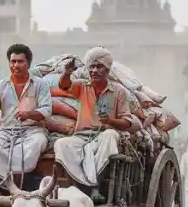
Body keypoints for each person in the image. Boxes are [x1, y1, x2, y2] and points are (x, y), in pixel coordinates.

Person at [53, 46, 138, 194]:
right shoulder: (82, 86)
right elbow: (64, 86)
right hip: (81, 136)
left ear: (107, 70)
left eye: (99, 67)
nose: (94, 71)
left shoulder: (118, 91)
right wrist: (67, 73)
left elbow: (127, 122)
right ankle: (81, 184)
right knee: (61, 143)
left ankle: (94, 186)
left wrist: (110, 121)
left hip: (104, 136)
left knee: (111, 136)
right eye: (91, 67)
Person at [0, 44, 51, 191]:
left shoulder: (40, 84)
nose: (16, 65)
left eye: (20, 61)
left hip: (33, 131)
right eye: (13, 61)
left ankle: (20, 188)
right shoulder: (1, 86)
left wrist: (29, 114)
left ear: (28, 63)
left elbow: (46, 110)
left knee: (36, 145)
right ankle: (1, 189)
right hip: (6, 132)